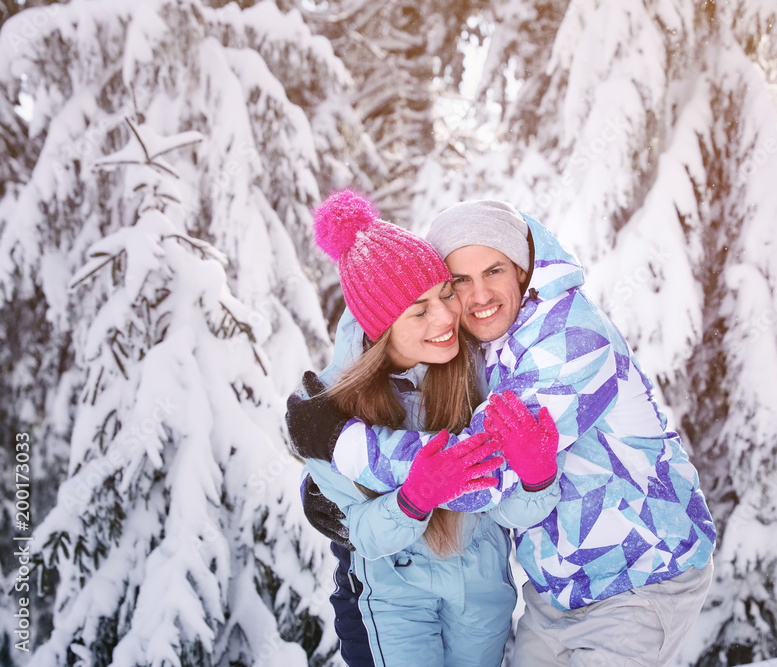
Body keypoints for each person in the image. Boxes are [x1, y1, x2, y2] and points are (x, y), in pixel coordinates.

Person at [307, 199, 717, 665]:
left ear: (523, 269)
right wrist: (328, 471)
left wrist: (337, 443)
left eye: (494, 270)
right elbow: (386, 310)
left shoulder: (571, 340)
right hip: (556, 591)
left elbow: (481, 473)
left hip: (640, 574)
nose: (478, 295)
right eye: (460, 280)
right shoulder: (478, 345)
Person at [286, 190, 560, 667]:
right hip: (395, 606)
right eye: (419, 311)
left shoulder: (476, 372)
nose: (446, 317)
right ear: (381, 326)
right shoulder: (334, 411)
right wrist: (413, 500)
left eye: (444, 294)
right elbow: (362, 536)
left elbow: (509, 507)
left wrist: (537, 477)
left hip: (482, 599)